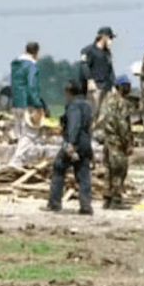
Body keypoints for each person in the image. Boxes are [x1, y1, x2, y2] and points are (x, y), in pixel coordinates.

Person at [47, 77, 93, 215]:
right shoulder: (87, 105)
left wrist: (71, 143)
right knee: (83, 175)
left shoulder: (74, 106)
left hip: (74, 143)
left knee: (59, 168)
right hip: (85, 143)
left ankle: (54, 202)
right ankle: (86, 205)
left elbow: (74, 124)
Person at [99, 75, 134, 210]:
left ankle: (107, 197)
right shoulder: (122, 103)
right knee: (119, 170)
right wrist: (128, 143)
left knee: (109, 169)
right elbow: (123, 125)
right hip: (117, 141)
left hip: (108, 140)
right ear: (121, 87)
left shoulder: (107, 100)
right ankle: (116, 199)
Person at [10, 41, 47, 167]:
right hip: (28, 103)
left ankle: (21, 161)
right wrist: (38, 104)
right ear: (36, 52)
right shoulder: (32, 66)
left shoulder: (16, 65)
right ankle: (16, 161)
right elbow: (32, 86)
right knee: (30, 134)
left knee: (20, 133)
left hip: (16, 102)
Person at [81, 26, 116, 117]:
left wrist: (113, 85)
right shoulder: (88, 51)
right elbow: (84, 66)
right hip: (95, 86)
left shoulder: (107, 53)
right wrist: (90, 80)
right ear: (103, 37)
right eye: (110, 38)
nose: (111, 41)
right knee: (94, 112)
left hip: (106, 87)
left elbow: (110, 69)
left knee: (105, 114)